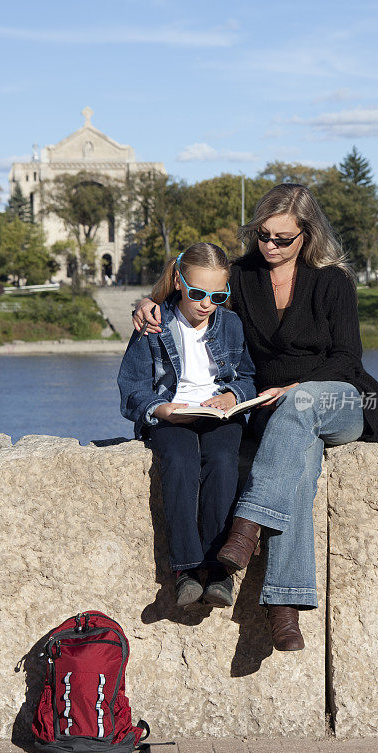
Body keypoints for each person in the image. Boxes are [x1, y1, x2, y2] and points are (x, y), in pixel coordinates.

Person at [132, 184, 378, 651]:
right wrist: (145, 303)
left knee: (298, 408)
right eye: (262, 235)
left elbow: (348, 358)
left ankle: (245, 527)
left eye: (282, 238)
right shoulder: (241, 277)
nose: (270, 246)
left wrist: (296, 388)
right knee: (297, 463)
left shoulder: (332, 280)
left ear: (308, 234)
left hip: (337, 397)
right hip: (273, 411)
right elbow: (184, 289)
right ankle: (285, 605)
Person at [118, 242, 257, 609]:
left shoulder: (230, 324)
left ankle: (219, 570)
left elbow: (246, 375)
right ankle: (187, 570)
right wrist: (160, 410)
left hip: (218, 414)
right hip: (171, 415)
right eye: (197, 293)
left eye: (217, 295)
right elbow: (131, 387)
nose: (206, 303)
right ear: (179, 282)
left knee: (224, 462)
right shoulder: (154, 324)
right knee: (179, 462)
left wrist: (233, 396)